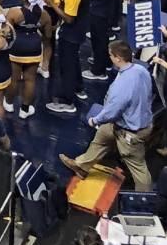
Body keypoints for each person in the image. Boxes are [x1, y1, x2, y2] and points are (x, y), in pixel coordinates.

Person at [63, 39, 154, 189]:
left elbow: (112, 111)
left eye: (111, 55)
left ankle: (144, 200)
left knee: (138, 166)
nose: (109, 58)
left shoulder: (122, 84)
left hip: (131, 131)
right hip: (132, 121)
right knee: (102, 137)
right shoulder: (141, 70)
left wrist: (95, 120)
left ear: (118, 57)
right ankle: (81, 166)